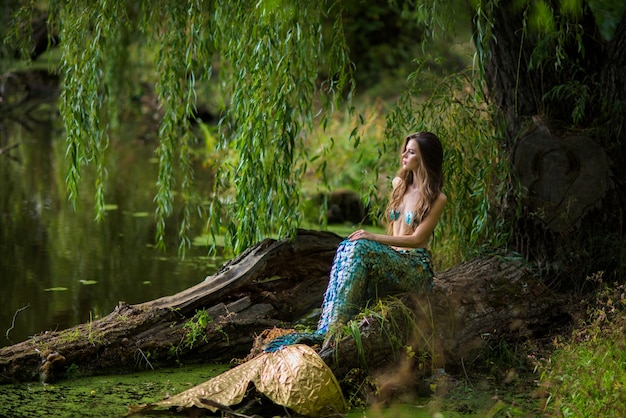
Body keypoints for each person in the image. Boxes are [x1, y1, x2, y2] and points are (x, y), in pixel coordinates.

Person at [264, 131, 447, 352]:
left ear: (425, 158)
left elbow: (418, 239)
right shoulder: (399, 184)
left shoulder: (436, 197)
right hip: (393, 260)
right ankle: (328, 327)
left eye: (411, 152)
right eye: (405, 150)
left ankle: (332, 328)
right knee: (346, 246)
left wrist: (373, 237)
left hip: (414, 268)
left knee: (360, 245)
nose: (403, 156)